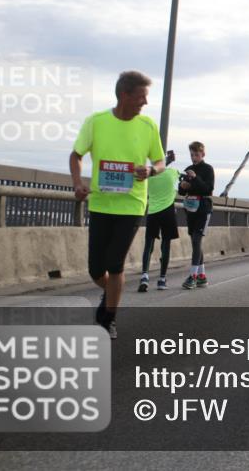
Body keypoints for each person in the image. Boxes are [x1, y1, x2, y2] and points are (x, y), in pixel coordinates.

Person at [69, 71, 165, 339]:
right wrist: (78, 183)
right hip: (101, 203)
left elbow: (159, 161)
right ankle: (110, 293)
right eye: (141, 97)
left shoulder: (147, 126)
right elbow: (76, 154)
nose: (144, 103)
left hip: (132, 204)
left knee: (115, 264)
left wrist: (151, 171)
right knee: (95, 269)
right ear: (125, 95)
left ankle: (108, 318)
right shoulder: (96, 122)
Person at [140, 149, 180, 292]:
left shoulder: (149, 176)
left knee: (148, 245)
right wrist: (169, 161)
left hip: (153, 212)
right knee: (166, 245)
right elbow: (183, 181)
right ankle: (162, 279)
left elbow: (156, 168)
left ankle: (144, 275)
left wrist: (166, 160)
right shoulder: (173, 173)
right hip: (168, 212)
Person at [180, 141, 215, 289]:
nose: (194, 157)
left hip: (203, 208)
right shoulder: (188, 169)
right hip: (191, 209)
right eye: (192, 154)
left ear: (203, 154)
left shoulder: (208, 169)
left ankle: (193, 276)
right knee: (195, 242)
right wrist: (183, 186)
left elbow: (208, 188)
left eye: (196, 154)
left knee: (196, 240)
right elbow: (182, 191)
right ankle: (202, 276)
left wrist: (194, 178)